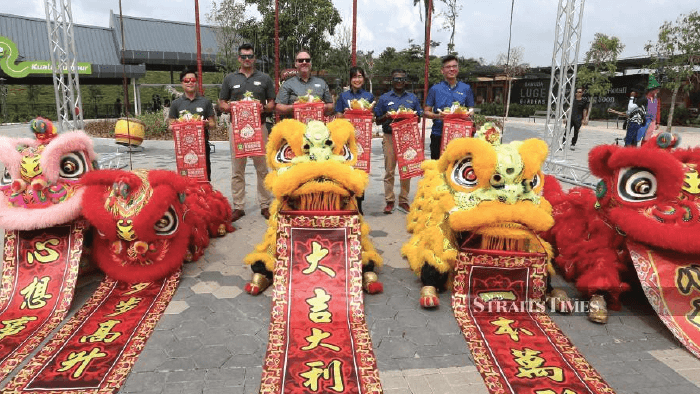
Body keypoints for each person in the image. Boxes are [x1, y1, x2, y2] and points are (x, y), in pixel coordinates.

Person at [218, 43, 275, 222]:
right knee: (237, 170)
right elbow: (221, 102)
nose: (247, 59)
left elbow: (272, 103)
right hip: (237, 130)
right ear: (239, 58)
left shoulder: (264, 78)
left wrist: (262, 108)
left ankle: (265, 204)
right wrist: (232, 108)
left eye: (250, 56)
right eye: (243, 56)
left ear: (254, 58)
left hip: (260, 128)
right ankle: (239, 206)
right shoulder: (230, 79)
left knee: (262, 169)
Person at [374, 69, 423, 215]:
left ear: (406, 81)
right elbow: (377, 119)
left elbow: (418, 117)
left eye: (402, 79)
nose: (399, 82)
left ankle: (404, 200)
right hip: (389, 136)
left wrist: (412, 116)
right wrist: (386, 116)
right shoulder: (384, 98)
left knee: (406, 170)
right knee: (389, 170)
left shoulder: (412, 98)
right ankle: (389, 200)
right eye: (396, 79)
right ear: (392, 80)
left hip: (406, 137)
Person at [335, 66, 374, 215]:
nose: (357, 80)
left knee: (361, 171)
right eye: (354, 77)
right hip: (346, 137)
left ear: (363, 79)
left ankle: (359, 203)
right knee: (346, 168)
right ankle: (346, 201)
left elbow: (372, 117)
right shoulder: (344, 96)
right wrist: (347, 114)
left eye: (360, 76)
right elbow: (338, 115)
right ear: (350, 80)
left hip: (362, 138)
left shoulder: (369, 97)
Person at [168, 69, 216, 181]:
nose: (190, 83)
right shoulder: (176, 104)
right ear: (182, 83)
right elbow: (170, 125)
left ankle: (204, 197)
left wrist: (204, 124)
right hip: (183, 149)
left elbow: (213, 124)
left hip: (202, 147)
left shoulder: (205, 102)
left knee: (204, 177)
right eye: (187, 80)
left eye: (193, 80)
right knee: (184, 179)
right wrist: (179, 125)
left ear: (197, 82)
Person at [423, 55, 475, 159]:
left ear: (458, 69)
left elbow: (471, 110)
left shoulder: (466, 88)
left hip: (459, 135)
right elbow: (426, 112)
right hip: (438, 134)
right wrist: (438, 116)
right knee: (438, 168)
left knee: (457, 168)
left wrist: (467, 115)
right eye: (448, 67)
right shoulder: (435, 89)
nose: (452, 69)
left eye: (454, 66)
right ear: (442, 70)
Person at [276, 50, 333, 117]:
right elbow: (278, 107)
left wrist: (322, 106)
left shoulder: (322, 83)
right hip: (295, 124)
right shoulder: (287, 84)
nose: (304, 62)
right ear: (295, 64)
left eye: (307, 60)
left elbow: (331, 106)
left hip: (317, 124)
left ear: (311, 63)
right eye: (300, 60)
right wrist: (296, 107)